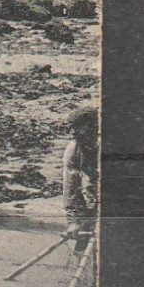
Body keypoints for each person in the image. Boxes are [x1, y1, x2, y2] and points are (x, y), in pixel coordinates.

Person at [63, 106, 98, 249]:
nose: (73, 133)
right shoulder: (74, 149)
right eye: (71, 128)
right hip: (89, 208)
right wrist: (74, 221)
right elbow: (71, 186)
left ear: (93, 127)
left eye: (78, 127)